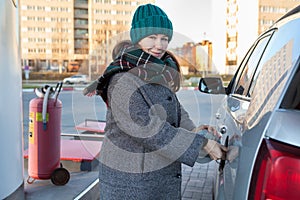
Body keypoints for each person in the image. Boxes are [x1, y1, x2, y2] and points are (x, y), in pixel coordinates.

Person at [93, 4, 226, 199]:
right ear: (138, 38)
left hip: (157, 178)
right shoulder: (122, 79)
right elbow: (148, 130)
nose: (160, 45)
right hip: (129, 183)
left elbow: (175, 110)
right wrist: (201, 144)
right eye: (152, 37)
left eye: (164, 39)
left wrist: (192, 131)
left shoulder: (159, 71)